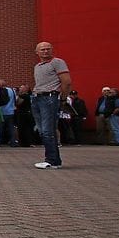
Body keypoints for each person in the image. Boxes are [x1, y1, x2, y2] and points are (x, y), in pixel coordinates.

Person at [31, 41, 70, 169]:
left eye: (48, 49)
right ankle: (53, 159)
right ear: (37, 52)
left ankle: (52, 160)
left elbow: (66, 82)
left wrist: (62, 99)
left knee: (48, 130)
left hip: (50, 97)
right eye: (42, 49)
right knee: (42, 129)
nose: (45, 51)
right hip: (37, 97)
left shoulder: (57, 62)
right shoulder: (38, 66)